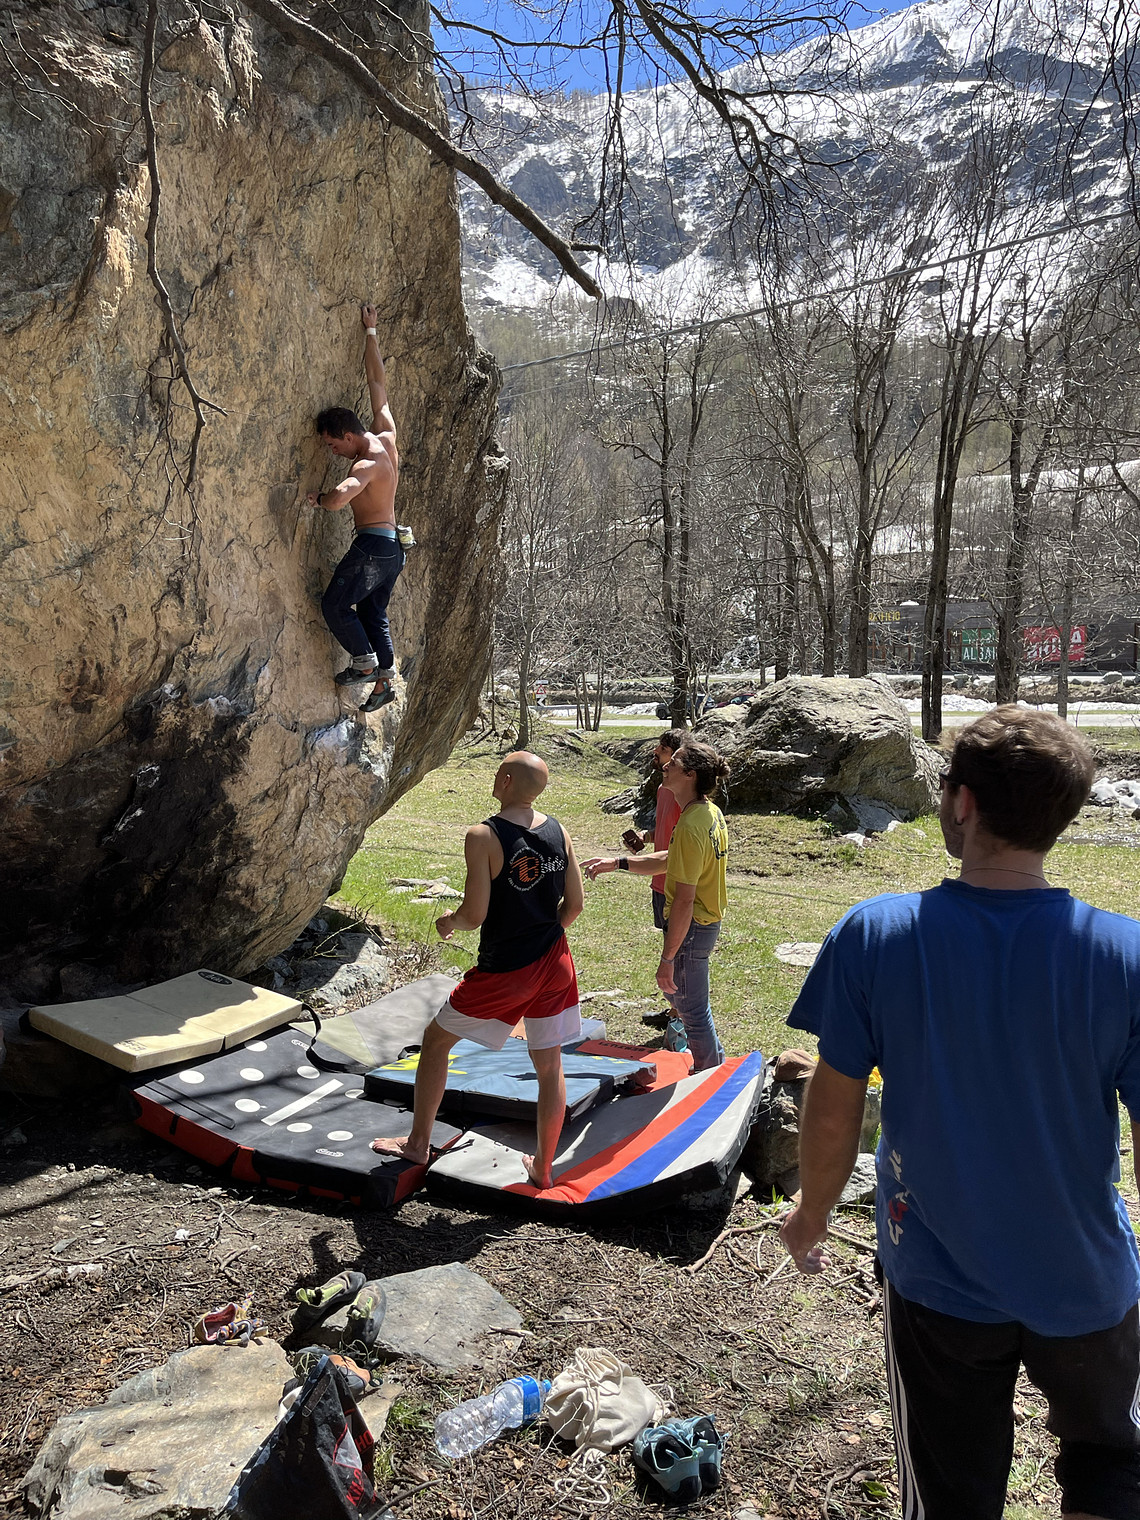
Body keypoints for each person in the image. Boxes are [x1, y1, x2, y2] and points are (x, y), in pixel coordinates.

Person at [779, 706, 1140, 1520]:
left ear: (963, 803)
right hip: (1089, 1285)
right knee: (1112, 1469)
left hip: (941, 1289)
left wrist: (811, 1213)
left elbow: (833, 1111)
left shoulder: (876, 935)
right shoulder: (1125, 955)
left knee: (950, 1495)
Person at [371, 751, 584, 1190]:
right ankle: (543, 1168)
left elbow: (474, 914)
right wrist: (543, 937)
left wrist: (449, 921)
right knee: (550, 1066)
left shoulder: (483, 835)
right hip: (557, 962)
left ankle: (417, 1144)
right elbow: (574, 906)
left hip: (506, 969)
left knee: (436, 1041)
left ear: (504, 780)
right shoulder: (559, 831)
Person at [583, 738, 729, 1072]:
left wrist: (667, 958)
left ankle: (709, 1077)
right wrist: (617, 863)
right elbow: (669, 858)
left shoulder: (693, 823)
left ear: (690, 775)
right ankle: (715, 1066)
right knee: (680, 998)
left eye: (673, 762)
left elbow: (685, 900)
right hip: (699, 927)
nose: (665, 765)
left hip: (693, 928)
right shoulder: (705, 812)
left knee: (691, 1010)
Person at [306, 303, 403, 712]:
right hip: (394, 549)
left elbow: (340, 497)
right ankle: (384, 681)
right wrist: (370, 332)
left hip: (372, 548)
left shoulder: (364, 464)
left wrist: (320, 498)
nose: (333, 452)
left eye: (333, 445)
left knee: (334, 605)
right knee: (371, 611)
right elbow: (377, 383)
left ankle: (363, 664)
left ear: (348, 436)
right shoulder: (386, 436)